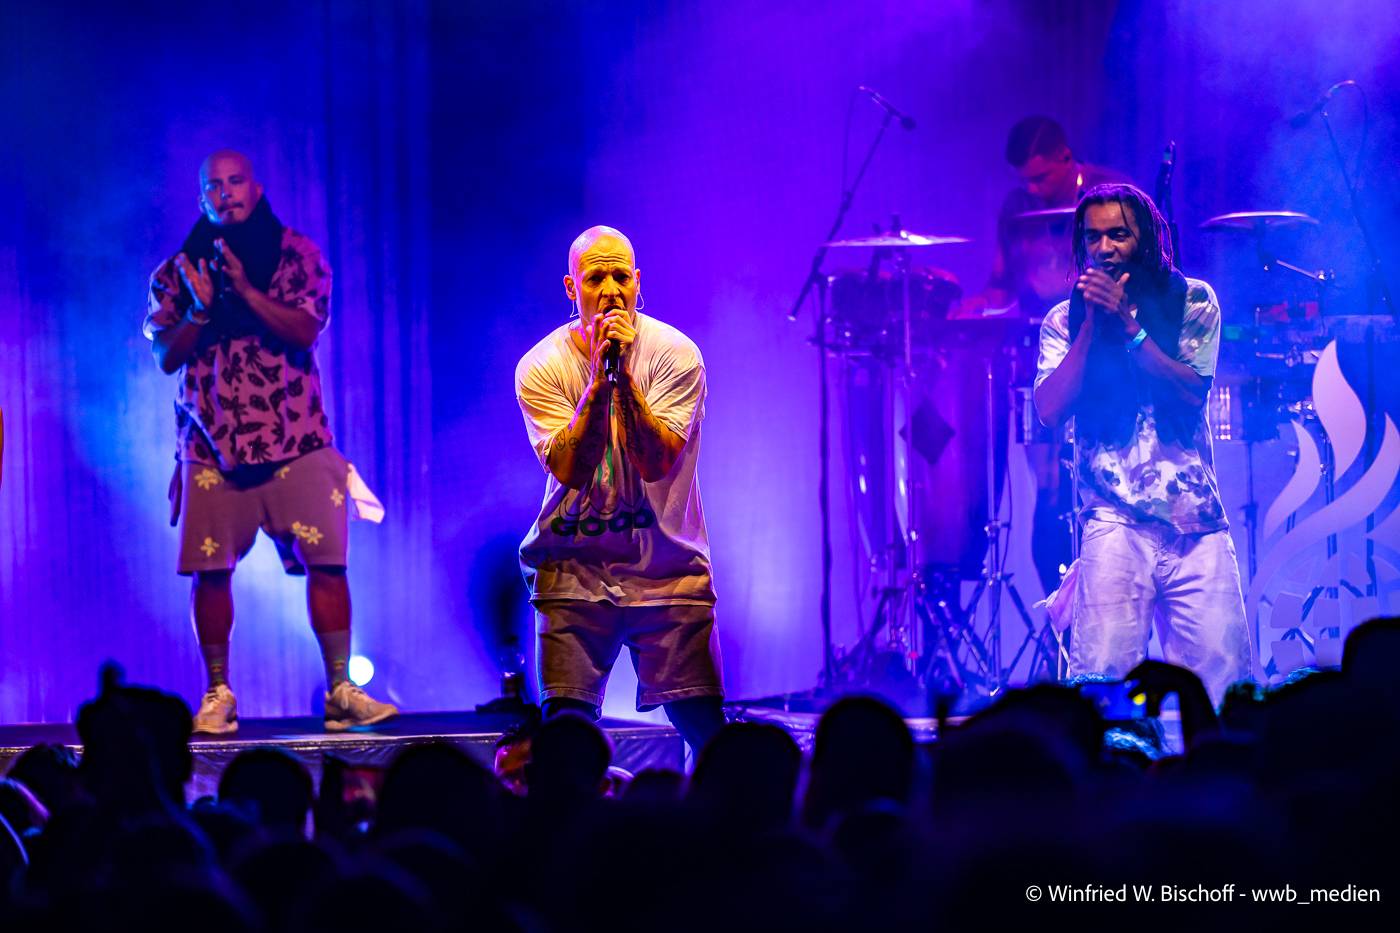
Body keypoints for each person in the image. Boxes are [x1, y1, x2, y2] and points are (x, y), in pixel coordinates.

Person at [144, 150, 395, 734]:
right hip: (211, 444)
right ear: (202, 199)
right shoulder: (178, 270)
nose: (226, 193)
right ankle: (218, 693)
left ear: (255, 189)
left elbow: (306, 327)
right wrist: (201, 311)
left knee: (328, 561)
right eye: (214, 186)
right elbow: (164, 356)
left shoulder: (297, 254)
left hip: (296, 436)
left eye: (235, 182)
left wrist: (243, 292)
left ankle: (340, 690)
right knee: (210, 571)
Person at [1033, 183, 1253, 705]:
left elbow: (1190, 391)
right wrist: (1092, 327)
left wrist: (1130, 327)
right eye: (1093, 237)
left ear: (1147, 239)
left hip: (1195, 521)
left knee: (1225, 687)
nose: (1104, 248)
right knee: (1104, 688)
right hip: (1113, 520)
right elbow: (1049, 410)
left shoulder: (1194, 300)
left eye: (1118, 235)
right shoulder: (1063, 320)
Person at [515, 225, 725, 755]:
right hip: (573, 568)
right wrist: (597, 380)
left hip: (667, 569)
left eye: (619, 277)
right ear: (571, 288)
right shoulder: (541, 366)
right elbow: (570, 468)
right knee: (566, 733)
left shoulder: (676, 354)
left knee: (704, 725)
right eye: (595, 278)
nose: (610, 290)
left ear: (637, 282)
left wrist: (623, 376)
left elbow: (655, 462)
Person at [957, 117, 1132, 595]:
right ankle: (1063, 618)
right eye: (1025, 180)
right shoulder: (1018, 208)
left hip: (1109, 360)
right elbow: (1001, 286)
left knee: (1107, 493)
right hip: (1046, 362)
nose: (1033, 189)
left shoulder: (1110, 194)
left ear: (1065, 157)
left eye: (1041, 177)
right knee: (1052, 499)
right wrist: (976, 305)